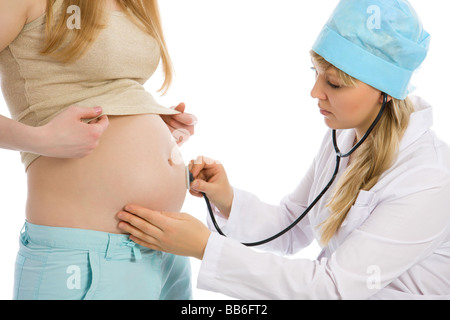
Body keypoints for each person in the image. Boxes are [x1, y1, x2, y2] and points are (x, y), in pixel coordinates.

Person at [117, 0, 450, 299]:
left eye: (333, 83)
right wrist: (226, 198)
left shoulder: (429, 179)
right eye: (316, 73)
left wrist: (205, 248)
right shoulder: (346, 137)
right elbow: (294, 222)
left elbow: (333, 288)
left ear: (386, 90)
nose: (315, 91)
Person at [0, 0, 196, 299]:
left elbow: (104, 85)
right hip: (84, 257)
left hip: (167, 249)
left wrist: (145, 114)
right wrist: (38, 138)